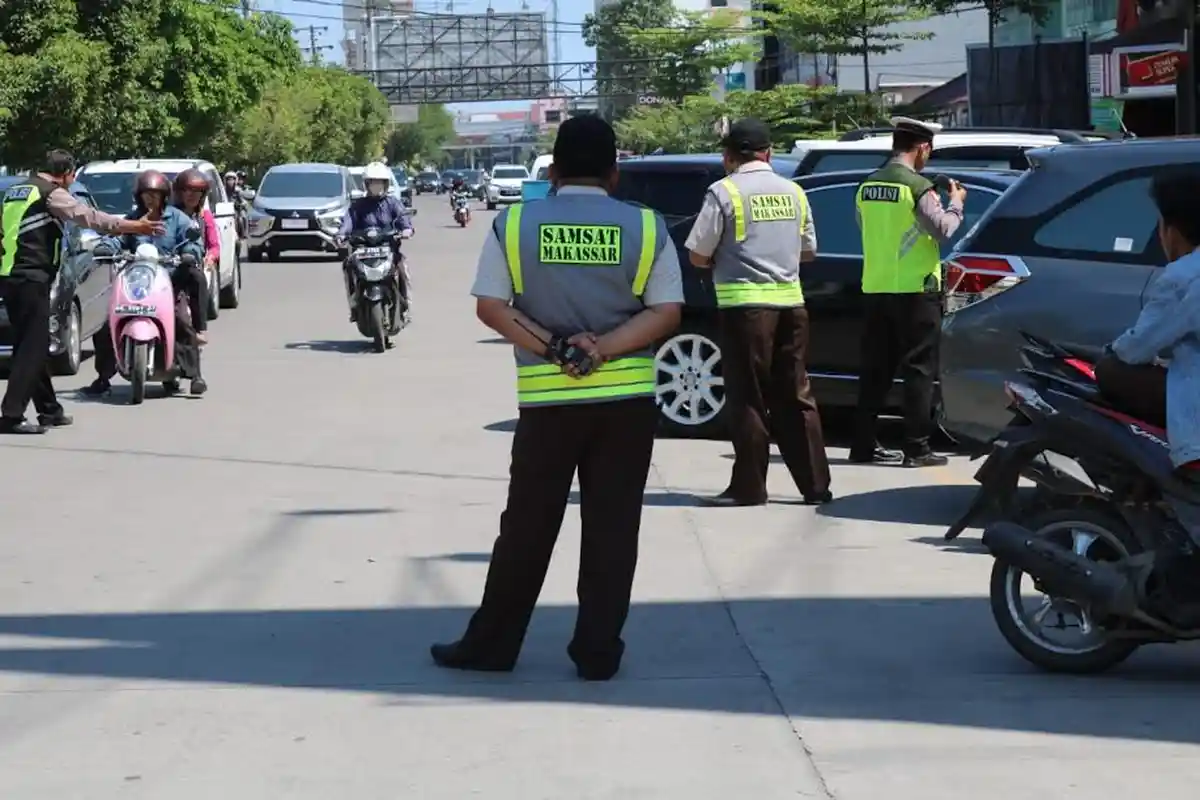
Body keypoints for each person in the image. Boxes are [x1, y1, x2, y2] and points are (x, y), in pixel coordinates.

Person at [430, 115, 684, 680]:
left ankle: (493, 645)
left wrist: (558, 350)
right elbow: (667, 312)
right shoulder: (646, 228)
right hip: (626, 407)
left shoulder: (516, 224)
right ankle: (597, 653)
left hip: (549, 405)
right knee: (613, 528)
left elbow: (491, 306)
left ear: (555, 170)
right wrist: (606, 348)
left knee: (526, 525)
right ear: (614, 173)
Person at [684, 118, 831, 507]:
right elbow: (809, 251)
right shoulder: (795, 192)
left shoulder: (723, 192)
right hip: (792, 305)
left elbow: (698, 254)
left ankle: (749, 488)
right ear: (768, 153)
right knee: (797, 395)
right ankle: (816, 486)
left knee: (748, 397)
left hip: (744, 308)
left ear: (729, 156)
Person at [1095, 171, 1200, 623]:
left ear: (1171, 230)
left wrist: (1114, 357)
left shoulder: (1183, 276)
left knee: (1110, 367)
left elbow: (1136, 347)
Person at [0, 149, 161, 434]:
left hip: (9, 275)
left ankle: (50, 410)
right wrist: (135, 226)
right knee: (33, 348)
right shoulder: (51, 193)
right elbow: (89, 218)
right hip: (31, 276)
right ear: (65, 174)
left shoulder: (17, 190)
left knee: (30, 343)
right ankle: (11, 415)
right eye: (72, 178)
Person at [850, 117, 964, 468]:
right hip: (916, 290)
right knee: (918, 370)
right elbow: (944, 229)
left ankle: (863, 446)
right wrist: (957, 202)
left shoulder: (867, 185)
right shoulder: (918, 188)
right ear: (922, 148)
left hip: (876, 287)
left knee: (875, 371)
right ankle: (917, 448)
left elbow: (863, 225)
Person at [82, 169, 209, 397]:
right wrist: (106, 248)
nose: (150, 199)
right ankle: (102, 377)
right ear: (138, 196)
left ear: (164, 196)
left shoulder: (178, 219)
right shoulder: (132, 220)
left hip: (168, 280)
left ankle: (195, 375)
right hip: (137, 279)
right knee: (106, 325)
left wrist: (190, 252)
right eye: (146, 194)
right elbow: (117, 238)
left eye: (155, 194)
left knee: (179, 320)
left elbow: (194, 242)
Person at [337, 161, 414, 324]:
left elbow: (403, 219)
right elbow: (348, 221)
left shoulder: (392, 203)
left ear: (386, 184)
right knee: (347, 266)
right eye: (373, 183)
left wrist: (406, 230)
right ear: (366, 184)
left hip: (389, 250)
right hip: (362, 251)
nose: (376, 186)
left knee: (403, 270)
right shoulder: (358, 206)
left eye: (380, 183)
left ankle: (406, 308)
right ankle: (354, 305)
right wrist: (342, 234)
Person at [172, 168, 218, 343]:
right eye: (187, 191)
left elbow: (214, 246)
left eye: (196, 192)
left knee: (198, 278)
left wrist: (210, 257)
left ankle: (200, 328)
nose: (191, 195)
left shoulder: (204, 217)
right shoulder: (168, 215)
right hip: (167, 265)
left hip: (191, 265)